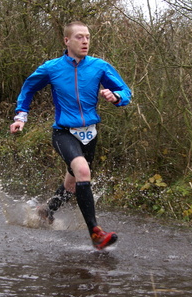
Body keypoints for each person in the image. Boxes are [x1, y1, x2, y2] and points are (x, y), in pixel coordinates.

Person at [9, 21, 132, 250]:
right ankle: (95, 233)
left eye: (87, 37)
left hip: (90, 134)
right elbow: (29, 88)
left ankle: (46, 211)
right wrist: (20, 117)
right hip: (63, 132)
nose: (85, 41)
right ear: (67, 41)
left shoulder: (99, 66)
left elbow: (126, 91)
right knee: (83, 171)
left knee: (72, 185)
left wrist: (116, 97)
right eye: (79, 37)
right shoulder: (52, 68)